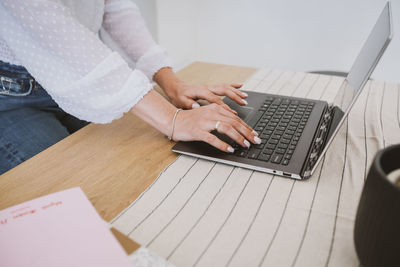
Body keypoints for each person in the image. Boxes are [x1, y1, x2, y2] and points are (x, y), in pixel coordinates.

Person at [0, 0, 260, 175]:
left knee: (134, 165)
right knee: (68, 189)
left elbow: (115, 7)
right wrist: (173, 118)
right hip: (12, 96)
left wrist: (171, 82)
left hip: (78, 80)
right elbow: (60, 37)